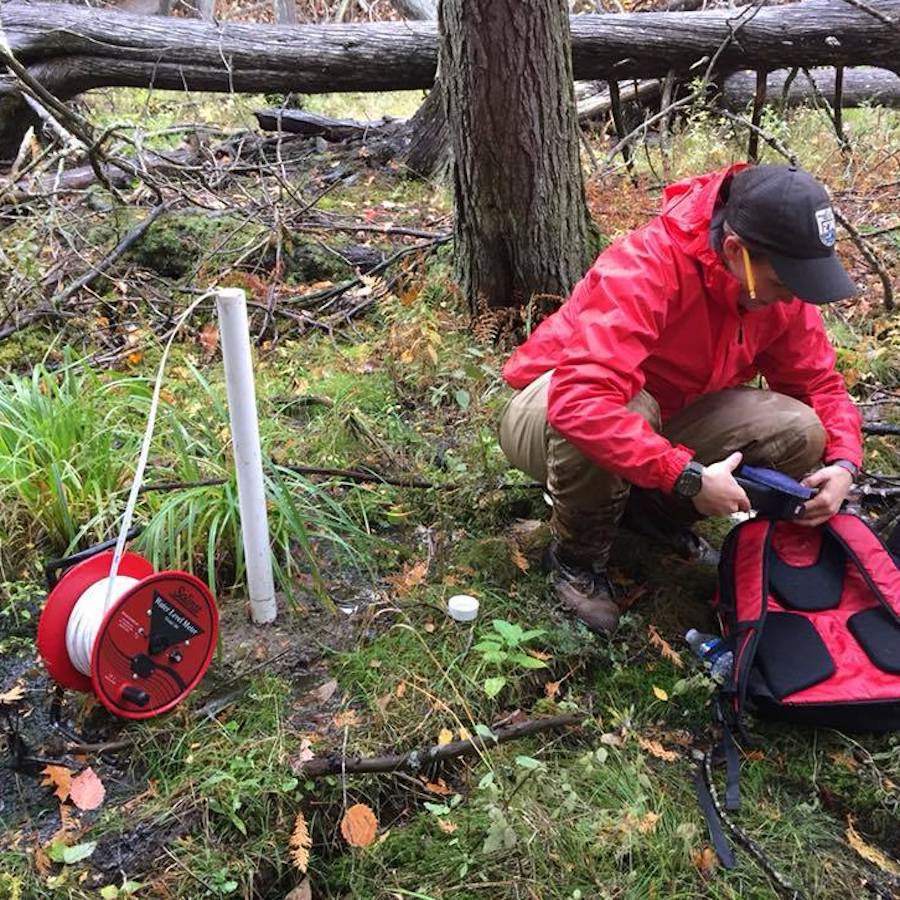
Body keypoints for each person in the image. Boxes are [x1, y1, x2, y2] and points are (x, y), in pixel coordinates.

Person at [498, 163, 862, 634]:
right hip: (549, 411)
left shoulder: (775, 290)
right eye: (783, 285)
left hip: (662, 421)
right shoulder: (647, 265)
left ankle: (645, 519)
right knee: (626, 404)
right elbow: (580, 401)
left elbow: (817, 386)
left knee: (802, 431)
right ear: (737, 252)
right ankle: (577, 557)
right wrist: (687, 477)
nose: (790, 299)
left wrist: (844, 463)